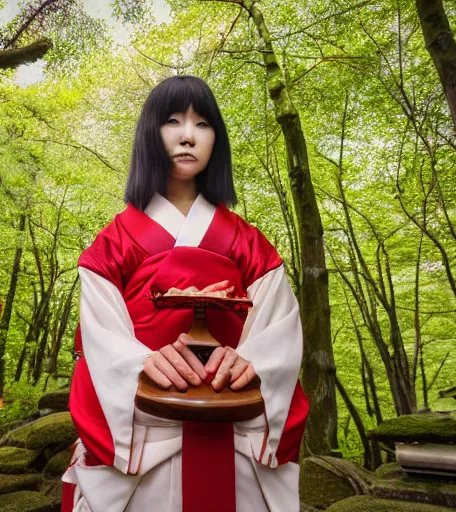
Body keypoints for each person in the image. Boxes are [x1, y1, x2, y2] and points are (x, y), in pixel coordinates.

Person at [61, 75, 309, 512]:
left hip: (234, 426)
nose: (188, 135)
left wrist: (249, 361)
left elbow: (280, 333)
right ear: (150, 135)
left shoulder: (251, 244)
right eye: (172, 121)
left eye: (203, 123)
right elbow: (101, 342)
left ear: (217, 139)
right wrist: (146, 362)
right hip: (148, 427)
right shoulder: (113, 244)